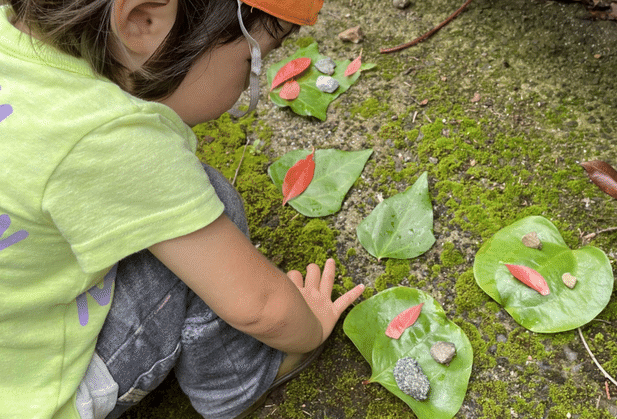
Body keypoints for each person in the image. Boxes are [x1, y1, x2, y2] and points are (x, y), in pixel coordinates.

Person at [0, 0, 365, 418]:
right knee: (212, 202)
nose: (248, 83)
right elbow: (262, 307)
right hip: (37, 399)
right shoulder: (115, 138)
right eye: (251, 60)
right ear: (141, 20)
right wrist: (312, 327)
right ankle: (236, 381)